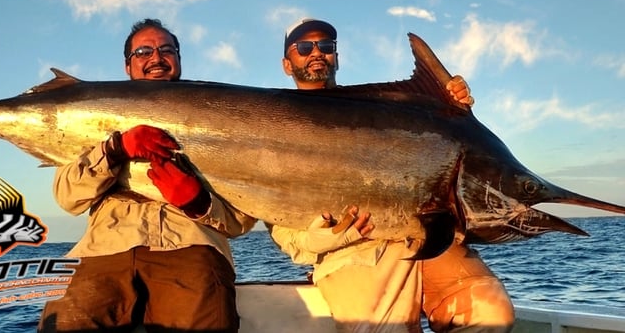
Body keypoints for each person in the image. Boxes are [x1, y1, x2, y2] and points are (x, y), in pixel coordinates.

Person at [268, 18, 515, 333]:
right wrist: (315, 241)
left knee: (491, 315)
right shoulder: (273, 123)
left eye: (326, 46)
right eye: (304, 47)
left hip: (423, 238)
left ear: (336, 57)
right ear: (287, 64)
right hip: (353, 251)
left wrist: (449, 105)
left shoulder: (380, 110)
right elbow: (276, 218)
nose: (317, 52)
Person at [38, 19, 257, 332]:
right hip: (104, 251)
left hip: (192, 247)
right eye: (143, 51)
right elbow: (67, 197)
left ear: (178, 59)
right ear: (128, 66)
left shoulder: (219, 115)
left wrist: (199, 203)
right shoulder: (93, 118)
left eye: (166, 49)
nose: (156, 57)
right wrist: (115, 149)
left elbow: (242, 219)